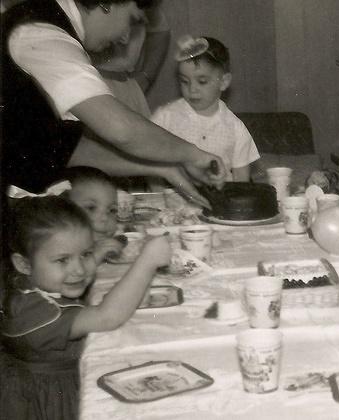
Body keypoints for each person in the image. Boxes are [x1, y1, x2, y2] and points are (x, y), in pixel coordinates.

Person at [1, 0, 226, 208]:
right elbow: (121, 129)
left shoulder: (49, 27)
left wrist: (162, 167)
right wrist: (193, 154)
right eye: (131, 20)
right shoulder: (42, 35)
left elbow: (63, 150)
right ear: (107, 3)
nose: (125, 38)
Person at [0, 195, 171, 419]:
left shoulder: (31, 281)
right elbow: (107, 317)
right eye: (63, 260)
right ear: (23, 264)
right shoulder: (36, 314)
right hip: (48, 401)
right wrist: (147, 262)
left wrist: (96, 256)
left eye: (85, 254)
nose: (79, 270)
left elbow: (69, 275)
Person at [151, 34, 260, 182]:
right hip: (175, 199)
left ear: (224, 82)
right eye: (184, 81)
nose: (192, 89)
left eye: (202, 82)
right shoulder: (165, 117)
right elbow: (150, 163)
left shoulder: (235, 128)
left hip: (220, 200)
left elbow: (241, 178)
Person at [63, 166, 126, 264]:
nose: (105, 218)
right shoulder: (55, 245)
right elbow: (67, 275)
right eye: (91, 208)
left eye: (112, 210)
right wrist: (95, 257)